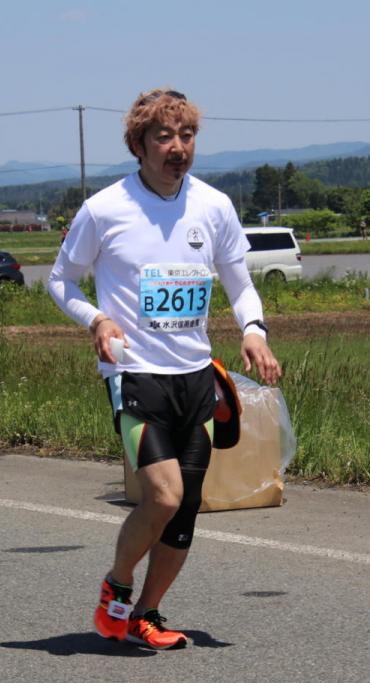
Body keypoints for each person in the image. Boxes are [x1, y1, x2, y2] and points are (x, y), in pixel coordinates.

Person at [48, 88, 281, 649]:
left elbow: (238, 281)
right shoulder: (105, 209)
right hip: (135, 376)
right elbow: (60, 280)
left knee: (186, 508)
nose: (178, 148)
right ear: (138, 144)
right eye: (163, 137)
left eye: (187, 136)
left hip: (196, 377)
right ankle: (117, 588)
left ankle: (147, 614)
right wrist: (97, 321)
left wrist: (253, 330)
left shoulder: (214, 206)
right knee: (164, 495)